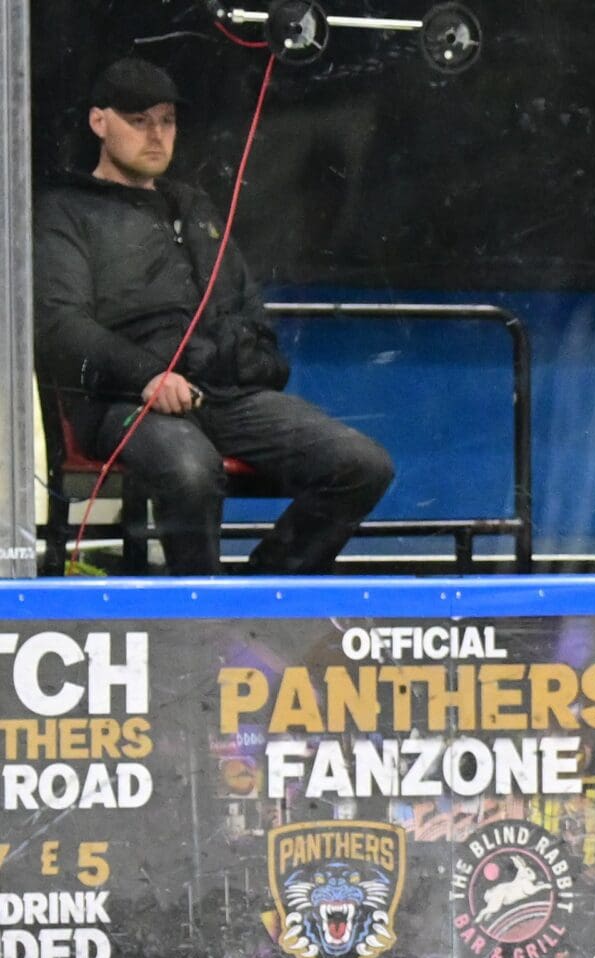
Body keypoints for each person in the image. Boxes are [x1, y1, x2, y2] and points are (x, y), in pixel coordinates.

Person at [33, 57, 395, 574]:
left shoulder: (193, 207)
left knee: (362, 465)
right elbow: (61, 327)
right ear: (99, 122)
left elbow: (249, 308)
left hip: (223, 394)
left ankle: (255, 597)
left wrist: (248, 362)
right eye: (138, 121)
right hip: (123, 401)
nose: (156, 135)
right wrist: (148, 378)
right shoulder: (64, 210)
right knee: (189, 468)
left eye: (167, 120)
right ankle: (198, 613)